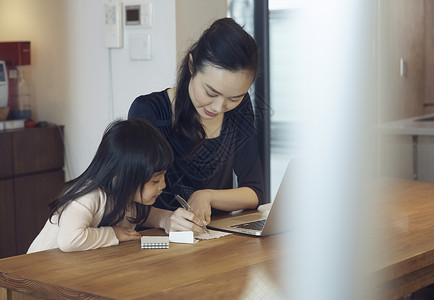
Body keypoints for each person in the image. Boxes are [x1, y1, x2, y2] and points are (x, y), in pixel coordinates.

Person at [128, 17, 264, 227]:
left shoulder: (241, 108)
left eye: (234, 98)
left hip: (214, 237)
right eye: (211, 92)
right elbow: (129, 199)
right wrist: (165, 219)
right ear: (192, 66)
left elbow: (254, 191)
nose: (219, 108)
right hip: (155, 240)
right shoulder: (149, 111)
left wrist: (207, 196)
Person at [27, 119, 206, 253]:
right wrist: (113, 234)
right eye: (154, 181)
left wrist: (170, 219)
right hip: (37, 276)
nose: (163, 185)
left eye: (163, 177)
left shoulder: (126, 200)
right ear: (119, 178)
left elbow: (149, 216)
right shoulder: (89, 197)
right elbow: (70, 240)